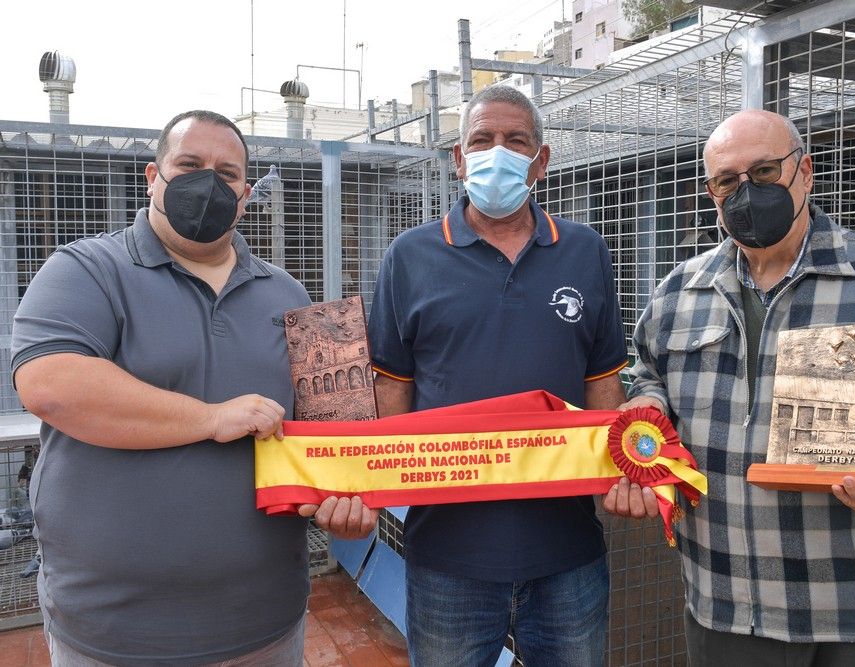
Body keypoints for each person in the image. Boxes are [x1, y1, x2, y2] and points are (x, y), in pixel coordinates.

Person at [606, 109, 855, 666]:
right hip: (725, 600)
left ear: (805, 172)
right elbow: (647, 377)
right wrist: (644, 421)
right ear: (711, 193)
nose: (746, 192)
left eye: (763, 172)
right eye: (727, 181)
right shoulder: (679, 290)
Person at [10, 109, 366, 666]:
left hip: (265, 622)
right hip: (115, 633)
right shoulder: (84, 269)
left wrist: (349, 495)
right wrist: (210, 418)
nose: (208, 182)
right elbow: (51, 384)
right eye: (189, 164)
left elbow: (336, 430)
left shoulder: (293, 294)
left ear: (246, 193)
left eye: (226, 173)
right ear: (153, 177)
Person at [359, 85, 628, 666]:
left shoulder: (585, 251)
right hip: (447, 556)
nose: (497, 152)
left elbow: (604, 386)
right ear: (458, 159)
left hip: (569, 550)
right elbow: (391, 393)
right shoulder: (409, 257)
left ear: (542, 159)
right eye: (481, 140)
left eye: (516, 141)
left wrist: (621, 473)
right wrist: (374, 487)